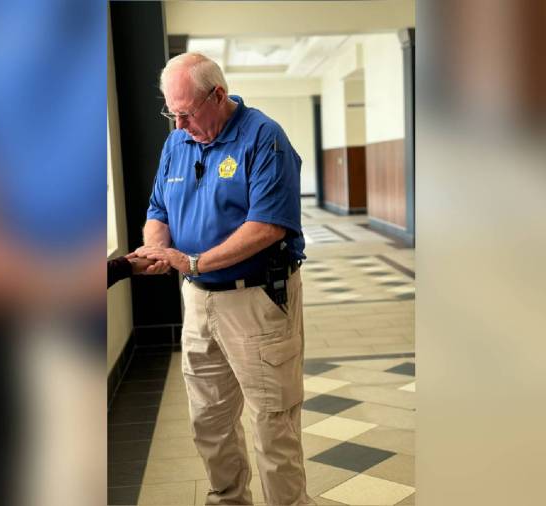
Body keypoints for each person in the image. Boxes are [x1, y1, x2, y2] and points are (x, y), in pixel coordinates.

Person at [130, 52, 314, 506]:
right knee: (209, 421)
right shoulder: (177, 142)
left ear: (217, 95)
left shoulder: (263, 137)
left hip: (255, 300)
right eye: (171, 113)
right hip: (198, 302)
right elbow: (158, 210)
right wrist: (157, 248)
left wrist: (193, 262)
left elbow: (268, 226)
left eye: (187, 113)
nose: (178, 125)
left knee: (273, 422)